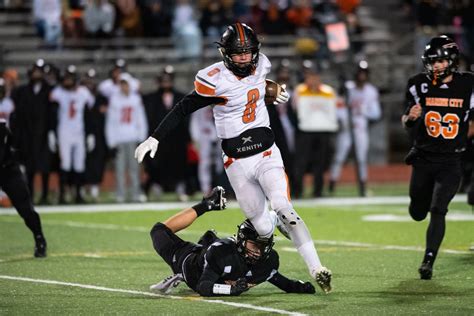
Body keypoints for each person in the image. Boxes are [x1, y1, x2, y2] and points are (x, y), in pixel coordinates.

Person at [135, 23, 332, 292]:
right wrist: (155, 136)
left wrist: (271, 90)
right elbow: (183, 107)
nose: (244, 57)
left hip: (266, 153)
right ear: (226, 53)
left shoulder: (261, 64)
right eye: (238, 53)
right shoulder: (214, 79)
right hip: (237, 162)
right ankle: (275, 221)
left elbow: (259, 85)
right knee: (262, 228)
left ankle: (316, 267)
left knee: (284, 204)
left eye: (248, 52)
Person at [150, 186, 316, 296]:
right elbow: (203, 286)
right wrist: (230, 289)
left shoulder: (268, 260)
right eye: (255, 244)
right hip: (187, 262)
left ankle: (207, 239)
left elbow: (277, 279)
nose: (258, 251)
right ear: (242, 240)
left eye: (263, 246)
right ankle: (206, 205)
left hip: (209, 256)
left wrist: (299, 286)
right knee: (158, 231)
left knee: (209, 245)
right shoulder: (223, 253)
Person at [401, 35, 474, 280]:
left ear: (452, 61)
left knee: (438, 209)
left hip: (452, 161)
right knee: (418, 212)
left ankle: (428, 260)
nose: (436, 66)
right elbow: (405, 121)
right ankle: (418, 210)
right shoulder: (418, 84)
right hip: (423, 158)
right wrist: (410, 117)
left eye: (441, 61)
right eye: (433, 62)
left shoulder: (468, 85)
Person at [329, 61, 381, 196]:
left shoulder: (371, 91)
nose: (362, 77)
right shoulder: (348, 88)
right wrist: (344, 119)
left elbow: (376, 113)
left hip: (360, 128)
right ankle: (332, 184)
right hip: (347, 128)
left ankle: (362, 185)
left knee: (361, 158)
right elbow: (337, 106)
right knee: (339, 157)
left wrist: (363, 112)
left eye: (364, 74)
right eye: (360, 73)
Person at [0, 119, 47, 257]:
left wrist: (20, 158)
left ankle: (39, 238)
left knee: (26, 209)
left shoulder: (4, 124)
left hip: (8, 169)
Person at [10, 60, 54, 204]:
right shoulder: (22, 91)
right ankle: (30, 195)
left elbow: (52, 113)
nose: (37, 74)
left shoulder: (49, 90)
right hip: (28, 134)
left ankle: (45, 195)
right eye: (35, 71)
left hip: (44, 133)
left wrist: (52, 131)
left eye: (39, 71)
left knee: (45, 167)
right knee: (30, 168)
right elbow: (17, 113)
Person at [292, 64, 338, 198]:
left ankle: (318, 191)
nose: (313, 79)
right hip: (305, 131)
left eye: (315, 76)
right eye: (310, 76)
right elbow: (295, 109)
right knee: (301, 161)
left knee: (320, 162)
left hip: (323, 131)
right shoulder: (300, 90)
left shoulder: (328, 91)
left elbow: (333, 111)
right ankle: (298, 190)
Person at [50, 65, 95, 204]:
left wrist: (90, 133)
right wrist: (52, 132)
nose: (67, 81)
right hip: (64, 132)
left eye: (70, 78)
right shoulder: (58, 92)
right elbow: (52, 113)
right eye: (66, 78)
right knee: (65, 164)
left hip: (79, 132)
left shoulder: (83, 92)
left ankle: (78, 194)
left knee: (79, 164)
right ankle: (63, 194)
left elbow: (88, 114)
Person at [105, 74, 148, 203]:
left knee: (134, 168)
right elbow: (110, 121)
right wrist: (111, 141)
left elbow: (141, 119)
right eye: (122, 84)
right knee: (120, 168)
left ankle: (136, 193)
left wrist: (142, 138)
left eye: (126, 84)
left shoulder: (136, 99)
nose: (124, 86)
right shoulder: (114, 100)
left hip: (133, 137)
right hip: (119, 138)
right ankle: (120, 194)